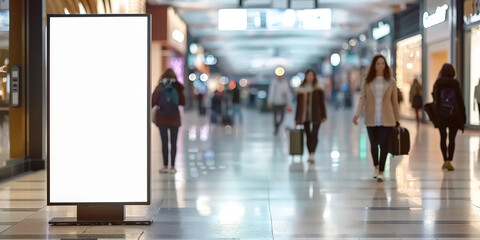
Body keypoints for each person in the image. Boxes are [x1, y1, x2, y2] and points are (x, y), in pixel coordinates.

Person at [352, 54, 400, 182]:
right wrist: (357, 114)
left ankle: (381, 171)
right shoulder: (367, 82)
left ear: (385, 65)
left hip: (387, 119)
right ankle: (376, 165)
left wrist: (397, 119)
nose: (380, 66)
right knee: (373, 145)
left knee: (384, 145)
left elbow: (395, 102)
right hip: (371, 118)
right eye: (378, 63)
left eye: (382, 63)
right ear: (374, 65)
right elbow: (362, 98)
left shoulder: (391, 82)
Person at [432, 63, 466, 171]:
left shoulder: (438, 82)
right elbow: (460, 100)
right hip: (454, 115)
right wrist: (463, 115)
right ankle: (449, 161)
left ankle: (445, 160)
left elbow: (435, 97)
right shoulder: (455, 83)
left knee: (442, 137)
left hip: (441, 114)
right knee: (452, 139)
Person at [152, 68, 185, 173]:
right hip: (174, 118)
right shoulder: (178, 87)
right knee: (174, 143)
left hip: (162, 118)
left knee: (164, 143)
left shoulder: (160, 86)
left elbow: (153, 101)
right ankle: (173, 167)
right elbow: (183, 102)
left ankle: (165, 166)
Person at [295, 69, 327, 163]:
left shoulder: (318, 89)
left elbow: (322, 103)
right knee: (308, 135)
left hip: (316, 114)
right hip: (305, 115)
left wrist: (323, 115)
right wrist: (297, 118)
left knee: (315, 134)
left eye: (312, 75)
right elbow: (298, 105)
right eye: (308, 75)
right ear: (306, 76)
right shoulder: (301, 89)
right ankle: (310, 154)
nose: (310, 77)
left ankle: (312, 153)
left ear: (314, 76)